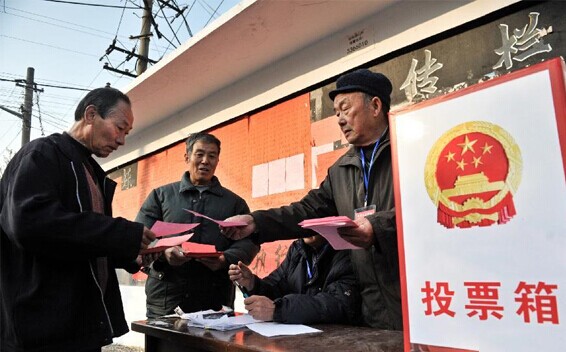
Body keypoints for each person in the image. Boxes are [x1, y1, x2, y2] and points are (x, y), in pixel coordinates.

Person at [223, 69, 402, 330]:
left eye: (345, 108)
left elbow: (433, 208)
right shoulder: (340, 170)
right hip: (372, 315)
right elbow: (307, 210)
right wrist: (256, 222)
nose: (340, 119)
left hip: (418, 302)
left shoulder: (410, 148)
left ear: (375, 106)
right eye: (336, 112)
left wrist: (378, 226)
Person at [0, 87, 157, 352]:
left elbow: (84, 242)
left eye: (127, 133)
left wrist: (132, 254)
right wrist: (120, 233)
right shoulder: (41, 155)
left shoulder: (89, 170)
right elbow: (29, 223)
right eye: (120, 128)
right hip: (40, 330)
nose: (122, 141)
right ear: (91, 114)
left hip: (79, 325)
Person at [136, 132, 259, 318]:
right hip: (166, 296)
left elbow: (249, 242)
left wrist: (224, 260)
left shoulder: (234, 203)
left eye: (212, 156)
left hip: (214, 296)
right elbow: (140, 236)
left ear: (218, 160)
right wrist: (163, 252)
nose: (205, 161)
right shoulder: (161, 196)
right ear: (187, 157)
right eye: (199, 154)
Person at [229, 234, 359, 324]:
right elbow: (276, 286)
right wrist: (252, 283)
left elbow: (337, 304)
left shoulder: (346, 252)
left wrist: (278, 310)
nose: (306, 227)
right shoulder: (298, 250)